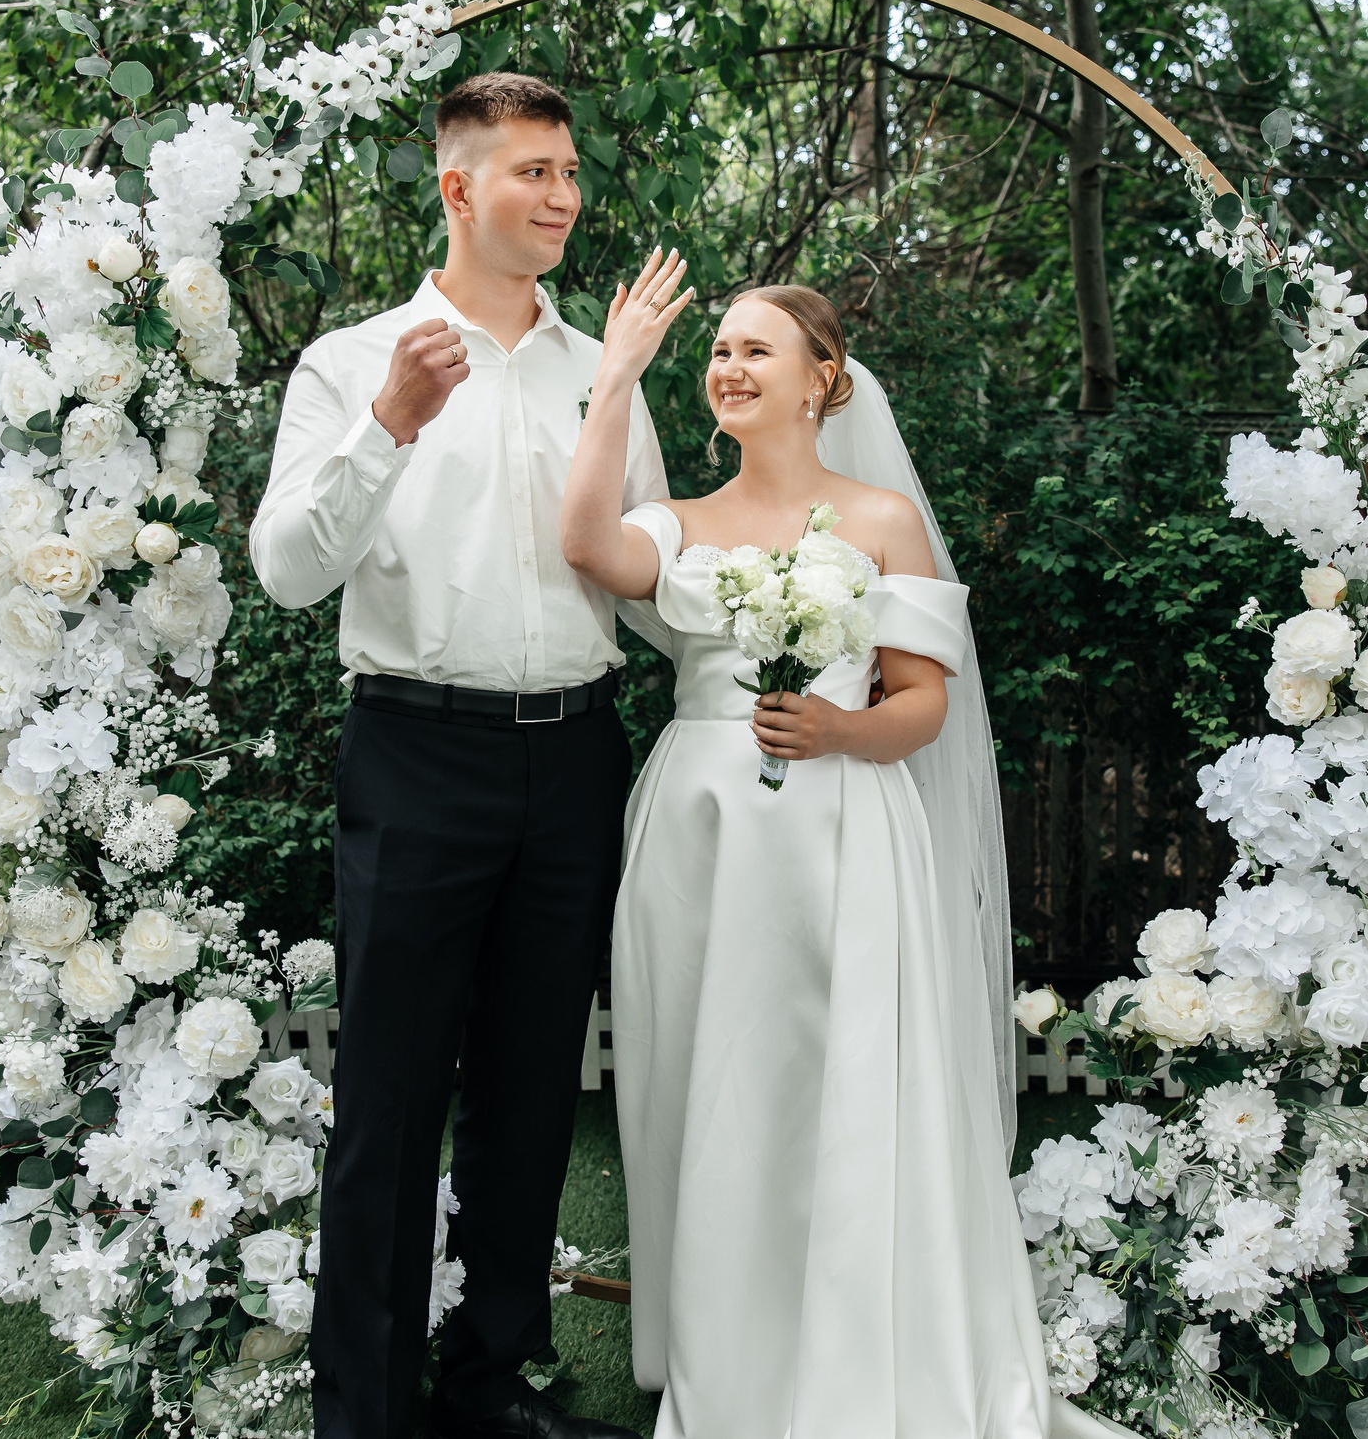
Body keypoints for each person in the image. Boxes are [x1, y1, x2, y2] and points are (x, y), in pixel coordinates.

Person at [563, 274, 1108, 1438]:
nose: (729, 366)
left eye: (758, 348)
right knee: (701, 1074)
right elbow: (584, 543)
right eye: (717, 351)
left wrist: (837, 732)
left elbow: (921, 705)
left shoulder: (878, 522)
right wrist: (612, 378)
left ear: (824, 379)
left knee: (840, 1073)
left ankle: (854, 1331)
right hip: (696, 829)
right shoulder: (683, 522)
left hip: (844, 828)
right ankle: (717, 1343)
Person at [250, 71, 657, 1439]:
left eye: (568, 172)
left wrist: (797, 620)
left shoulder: (605, 366)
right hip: (418, 758)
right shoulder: (348, 363)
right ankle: (362, 1413)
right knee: (390, 1098)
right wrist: (387, 430)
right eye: (533, 170)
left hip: (578, 759)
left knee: (536, 1089)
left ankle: (492, 1384)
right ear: (456, 187)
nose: (561, 196)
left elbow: (653, 574)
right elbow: (288, 573)